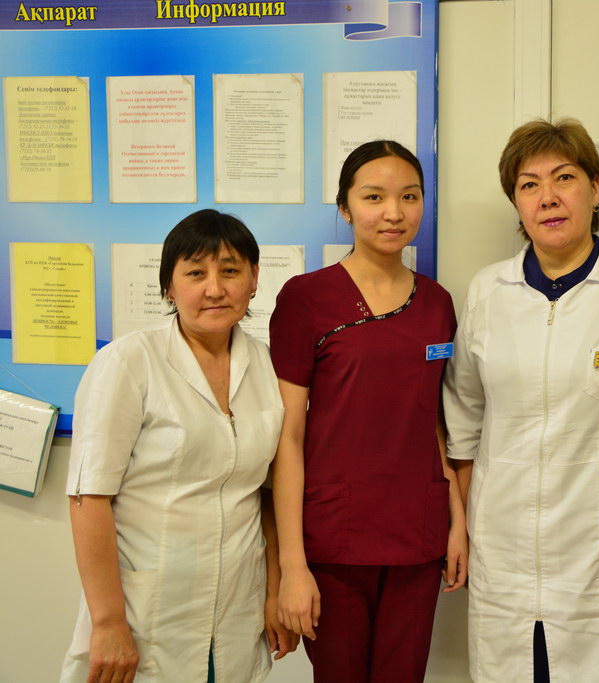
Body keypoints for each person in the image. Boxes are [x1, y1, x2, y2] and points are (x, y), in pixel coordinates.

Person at [443, 118, 599, 682]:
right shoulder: (487, 292)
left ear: (595, 188)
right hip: (502, 551)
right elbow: (464, 420)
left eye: (564, 178)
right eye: (529, 185)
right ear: (516, 203)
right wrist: (465, 524)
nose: (547, 197)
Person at [61, 209, 297, 683]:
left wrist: (275, 589)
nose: (215, 288)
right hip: (147, 612)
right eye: (195, 273)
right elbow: (90, 497)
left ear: (254, 279)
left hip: (237, 610)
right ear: (169, 286)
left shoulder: (266, 366)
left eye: (230, 270)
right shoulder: (128, 362)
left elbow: (267, 493)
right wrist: (108, 622)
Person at [269, 140, 466, 682]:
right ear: (345, 207)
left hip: (419, 533)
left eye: (410, 196)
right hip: (335, 537)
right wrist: (291, 564)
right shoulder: (306, 298)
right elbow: (288, 437)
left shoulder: (438, 303)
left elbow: (432, 421)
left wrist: (457, 522)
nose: (394, 212)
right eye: (374, 197)